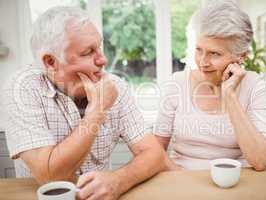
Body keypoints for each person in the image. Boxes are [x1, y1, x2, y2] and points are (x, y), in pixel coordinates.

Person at [4, 6, 166, 200]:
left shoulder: (115, 87)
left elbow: (154, 153)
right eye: (88, 52)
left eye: (99, 47)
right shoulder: (22, 89)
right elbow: (50, 176)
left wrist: (118, 181)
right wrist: (97, 110)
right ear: (50, 62)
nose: (103, 59)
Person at [154, 0, 266, 171]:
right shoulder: (177, 83)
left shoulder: (253, 85)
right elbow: (155, 152)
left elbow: (261, 160)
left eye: (214, 54)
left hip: (237, 182)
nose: (203, 62)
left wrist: (230, 96)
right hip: (183, 181)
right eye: (199, 50)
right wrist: (186, 179)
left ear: (241, 57)